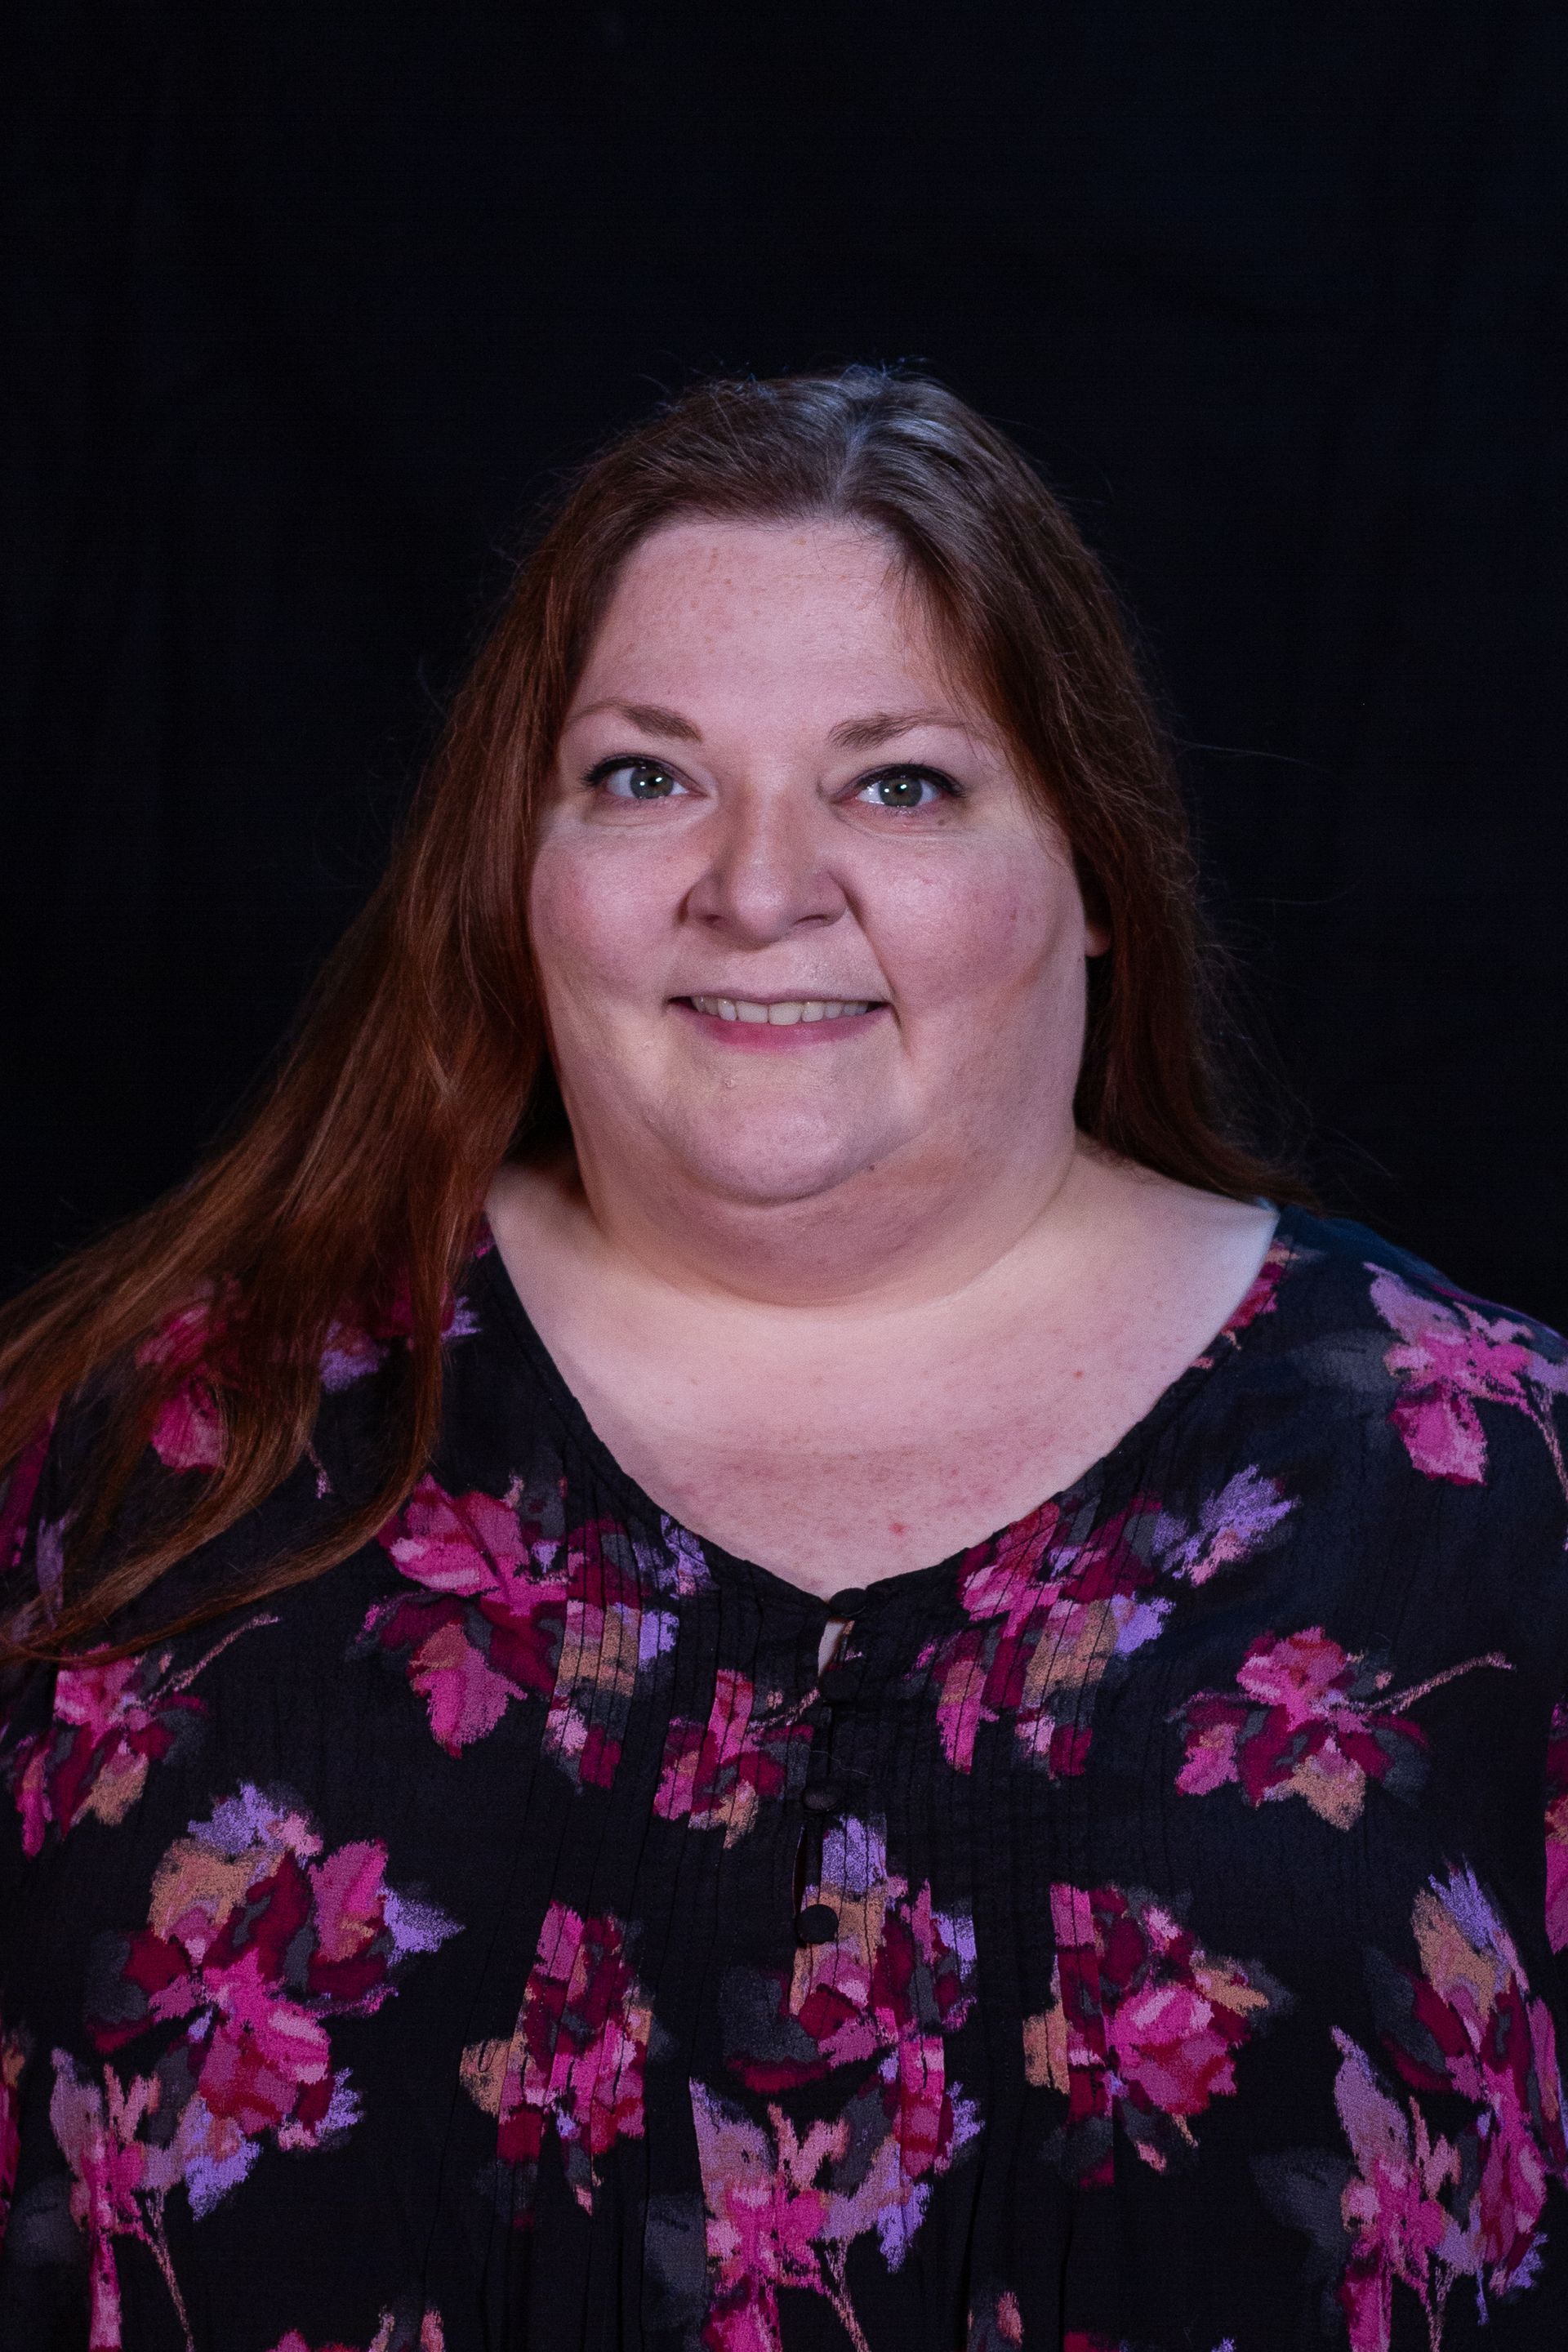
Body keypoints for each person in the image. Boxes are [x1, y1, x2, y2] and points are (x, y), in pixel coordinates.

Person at [2, 368, 1566, 2352]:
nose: (755, 888)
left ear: (1087, 872)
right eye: (646, 776)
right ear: (520, 864)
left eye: (898, 782)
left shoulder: (1494, 1484)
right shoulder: (145, 1455)